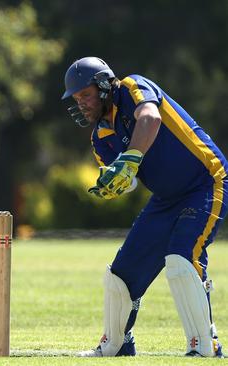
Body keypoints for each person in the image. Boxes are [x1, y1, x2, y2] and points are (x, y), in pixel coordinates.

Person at [62, 56, 227, 358]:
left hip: (206, 179)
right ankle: (116, 345)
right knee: (121, 276)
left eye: (85, 95)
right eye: (76, 99)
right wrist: (116, 184)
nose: (81, 103)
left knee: (180, 259)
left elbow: (150, 118)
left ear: (102, 85)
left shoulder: (131, 87)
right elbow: (130, 180)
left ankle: (206, 345)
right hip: (166, 198)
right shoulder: (100, 137)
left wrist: (130, 159)